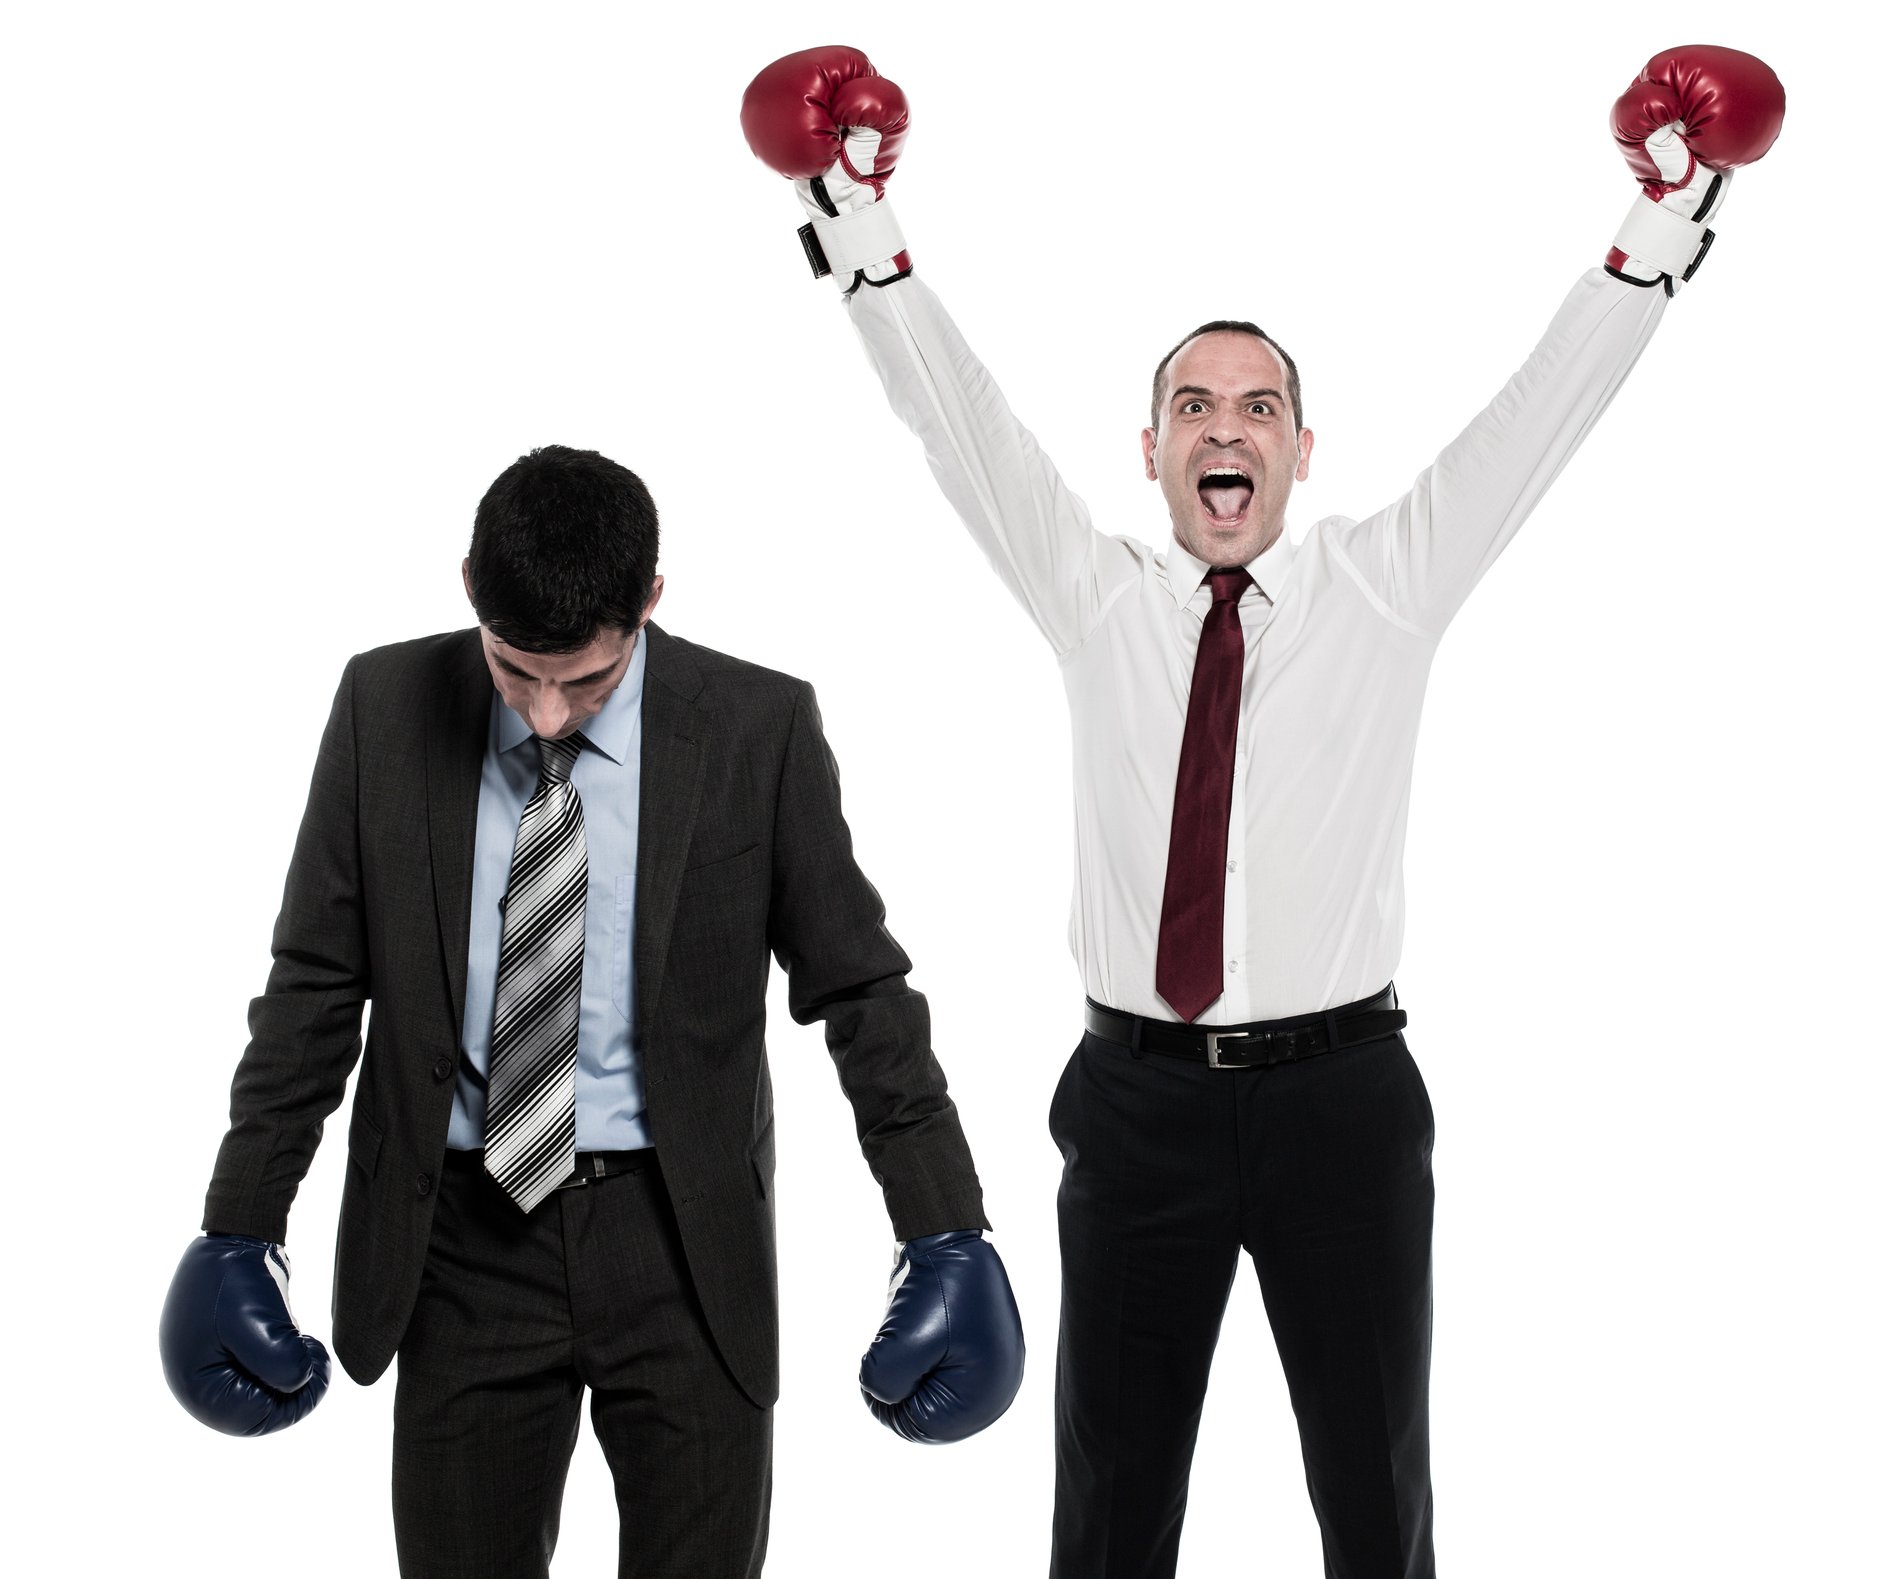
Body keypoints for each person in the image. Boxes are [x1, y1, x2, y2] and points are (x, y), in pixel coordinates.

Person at [742, 44, 1784, 1579]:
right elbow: (953, 422)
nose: (1220, 429)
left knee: (1375, 1504)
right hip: (1133, 1101)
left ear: (1300, 450)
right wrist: (854, 219)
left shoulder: (1384, 582)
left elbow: (1539, 415)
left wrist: (1664, 218)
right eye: (1189, 406)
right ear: (1150, 449)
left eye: (1255, 407)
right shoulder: (1091, 592)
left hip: (1340, 1103)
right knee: (1107, 1515)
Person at [157, 443, 1026, 1579]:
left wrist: (944, 1223)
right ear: (469, 587)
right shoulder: (381, 707)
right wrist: (241, 1218)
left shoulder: (756, 730)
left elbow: (860, 992)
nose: (551, 713)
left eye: (591, 679)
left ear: (652, 604)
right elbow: (315, 988)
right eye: (518, 674)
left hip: (680, 1244)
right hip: (462, 1240)